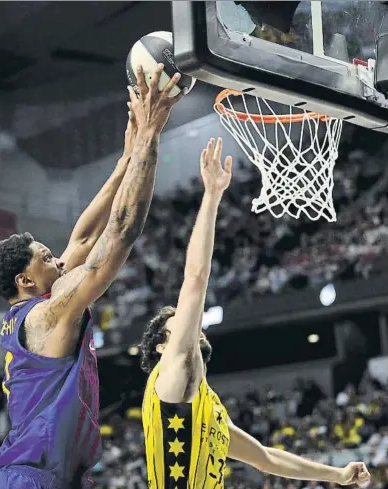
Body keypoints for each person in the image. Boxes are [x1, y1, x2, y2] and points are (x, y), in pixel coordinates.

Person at [0, 64, 186, 489]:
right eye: (46, 256)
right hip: (32, 479)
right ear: (25, 280)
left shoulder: (32, 311)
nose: (58, 258)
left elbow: (86, 234)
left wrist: (127, 158)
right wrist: (150, 136)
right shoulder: (47, 315)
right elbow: (119, 234)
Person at [139, 138, 371, 489]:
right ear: (161, 345)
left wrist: (336, 475)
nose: (191, 319)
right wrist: (212, 197)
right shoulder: (168, 377)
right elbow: (196, 279)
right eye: (180, 318)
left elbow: (265, 458)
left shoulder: (207, 407)